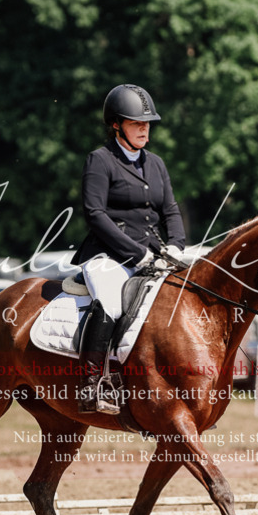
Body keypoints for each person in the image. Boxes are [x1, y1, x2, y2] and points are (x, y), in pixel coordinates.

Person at [72, 84, 186, 412]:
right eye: (137, 123)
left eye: (147, 124)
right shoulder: (100, 160)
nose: (144, 129)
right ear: (116, 125)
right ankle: (90, 386)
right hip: (108, 254)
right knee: (109, 301)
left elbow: (171, 210)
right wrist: (137, 254)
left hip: (156, 253)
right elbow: (95, 215)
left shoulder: (156, 164)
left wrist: (177, 245)